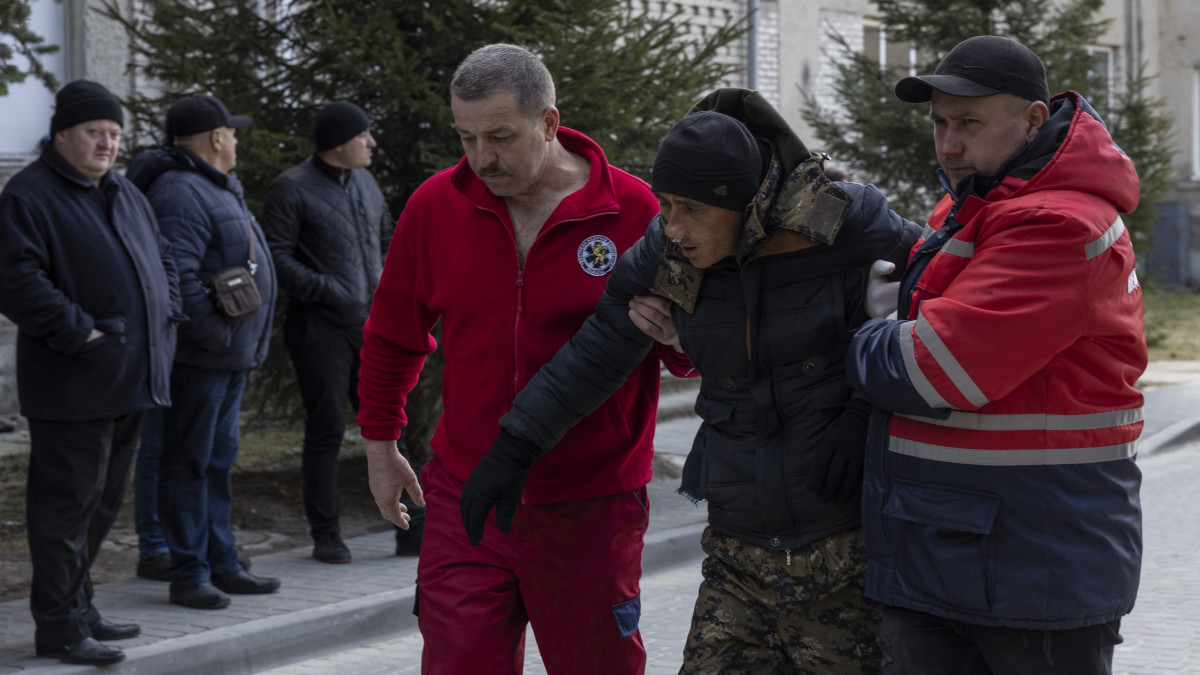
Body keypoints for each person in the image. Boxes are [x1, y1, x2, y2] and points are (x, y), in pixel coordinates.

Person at [461, 87, 922, 673]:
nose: (673, 226)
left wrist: (861, 416)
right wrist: (515, 444)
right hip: (737, 553)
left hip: (845, 548)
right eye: (665, 204)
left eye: (693, 209)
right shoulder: (671, 251)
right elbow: (599, 349)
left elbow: (939, 297)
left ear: (746, 203)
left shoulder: (839, 221)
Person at [357, 43, 691, 673]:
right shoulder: (435, 207)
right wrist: (381, 443)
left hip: (590, 504)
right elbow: (392, 334)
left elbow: (691, 357)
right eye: (467, 137)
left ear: (548, 123)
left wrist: (681, 340)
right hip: (465, 494)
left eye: (501, 137)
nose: (482, 158)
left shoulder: (637, 211)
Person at [846, 35, 1145, 673]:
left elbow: (930, 369)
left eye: (970, 123)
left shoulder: (1058, 224)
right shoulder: (978, 200)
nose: (948, 144)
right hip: (958, 552)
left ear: (1033, 119)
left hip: (1030, 572)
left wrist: (873, 327)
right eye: (939, 124)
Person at [0, 79, 182, 666]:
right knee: (64, 511)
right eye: (94, 132)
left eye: (114, 134)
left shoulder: (124, 192)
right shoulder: (29, 196)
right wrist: (82, 332)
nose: (106, 143)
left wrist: (169, 313)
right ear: (61, 135)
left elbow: (163, 259)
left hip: (131, 377)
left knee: (102, 504)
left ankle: (80, 607)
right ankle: (58, 628)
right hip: (73, 382)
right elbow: (18, 282)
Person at [127, 94, 280, 610]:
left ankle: (223, 562)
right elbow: (179, 278)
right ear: (217, 138)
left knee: (216, 461)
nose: (236, 140)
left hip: (227, 357)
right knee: (188, 464)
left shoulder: (213, 187)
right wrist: (217, 336)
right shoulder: (180, 191)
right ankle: (189, 572)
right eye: (231, 132)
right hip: (204, 359)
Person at [262, 101, 420, 563]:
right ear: (338, 143)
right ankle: (326, 534)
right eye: (363, 135)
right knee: (327, 430)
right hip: (319, 329)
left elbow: (388, 238)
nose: (372, 143)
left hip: (371, 328)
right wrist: (329, 289)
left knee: (392, 425)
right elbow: (277, 257)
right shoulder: (290, 188)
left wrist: (391, 290)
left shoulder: (366, 182)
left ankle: (412, 530)